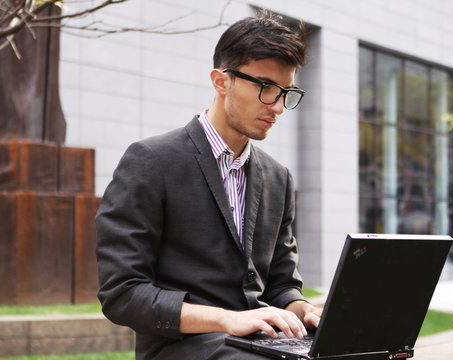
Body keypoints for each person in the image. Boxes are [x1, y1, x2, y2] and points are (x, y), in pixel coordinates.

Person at [95, 10, 323, 359]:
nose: (277, 107)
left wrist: (302, 310)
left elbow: (281, 283)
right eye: (265, 88)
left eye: (286, 93)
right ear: (221, 81)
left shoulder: (279, 178)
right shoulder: (150, 162)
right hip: (181, 349)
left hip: (261, 344)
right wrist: (228, 319)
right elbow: (123, 294)